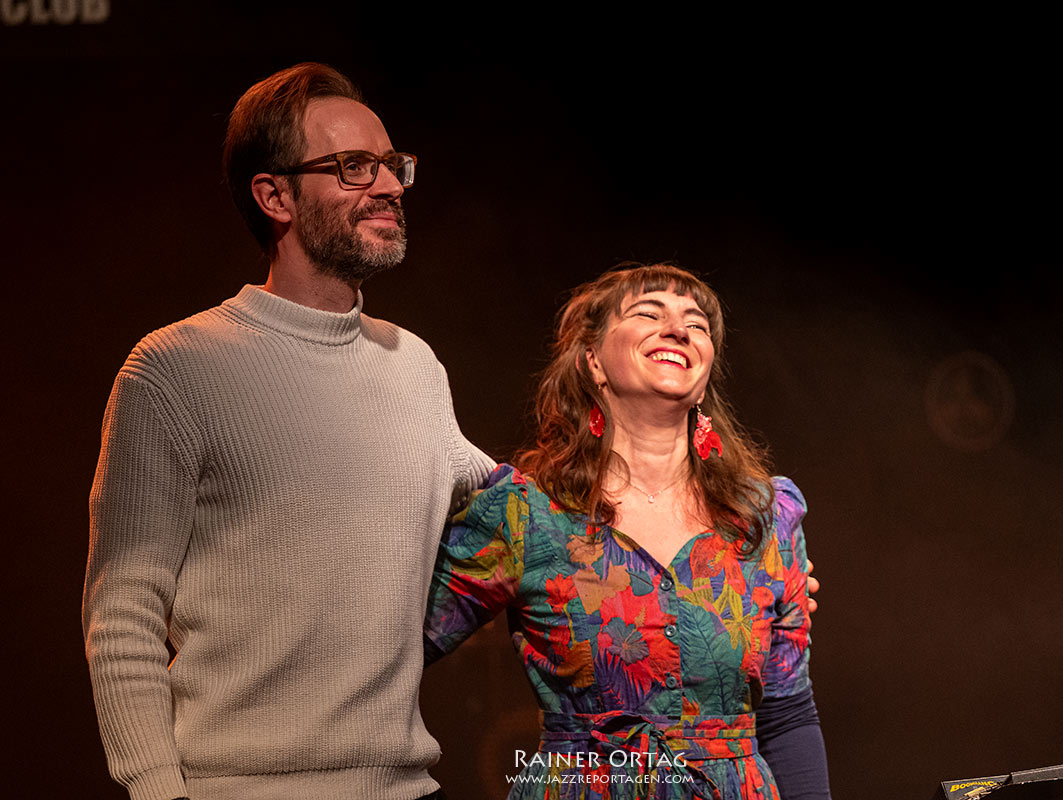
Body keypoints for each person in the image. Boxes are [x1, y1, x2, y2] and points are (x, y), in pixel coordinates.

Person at [83, 63, 492, 800]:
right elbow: (122, 614)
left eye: (393, 166)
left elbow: (522, 508)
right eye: (353, 167)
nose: (392, 186)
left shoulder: (414, 364)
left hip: (410, 789)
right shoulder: (175, 368)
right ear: (274, 196)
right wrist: (155, 790)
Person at [424, 264, 832, 798]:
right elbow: (395, 646)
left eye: (697, 323)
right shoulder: (528, 514)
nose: (678, 329)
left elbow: (787, 712)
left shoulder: (763, 517)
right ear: (593, 361)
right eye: (648, 313)